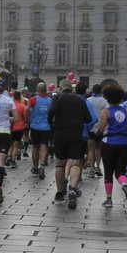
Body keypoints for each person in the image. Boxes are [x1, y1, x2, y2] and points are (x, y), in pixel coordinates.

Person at [48, 80, 92, 209]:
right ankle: (73, 188)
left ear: (61, 87)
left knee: (60, 163)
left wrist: (51, 122)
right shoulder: (80, 100)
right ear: (71, 88)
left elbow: (52, 111)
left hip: (61, 133)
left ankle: (60, 193)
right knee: (75, 162)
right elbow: (88, 119)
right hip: (76, 134)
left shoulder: (58, 97)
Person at [96, 82, 127, 208]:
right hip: (124, 143)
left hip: (109, 143)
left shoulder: (106, 112)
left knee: (108, 171)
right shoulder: (126, 111)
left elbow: (101, 129)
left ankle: (108, 199)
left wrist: (98, 134)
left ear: (107, 97)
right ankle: (124, 185)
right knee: (120, 171)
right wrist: (123, 129)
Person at [27, 81, 53, 178]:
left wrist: (28, 118)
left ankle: (35, 167)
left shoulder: (33, 99)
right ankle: (42, 164)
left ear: (37, 90)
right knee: (44, 146)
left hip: (35, 126)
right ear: (45, 89)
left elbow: (26, 109)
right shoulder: (50, 101)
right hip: (46, 127)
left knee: (35, 147)